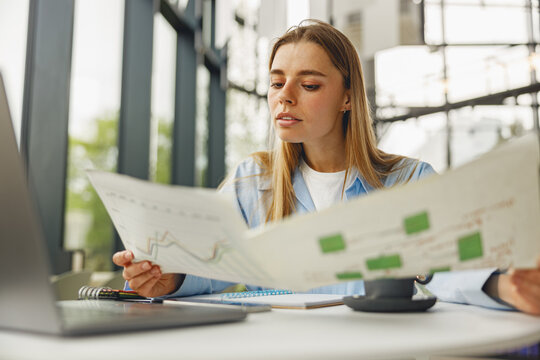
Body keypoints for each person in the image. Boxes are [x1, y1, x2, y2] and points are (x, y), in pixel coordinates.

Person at [113, 19, 540, 316]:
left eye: (310, 84)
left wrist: (506, 286)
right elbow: (210, 266)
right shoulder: (252, 183)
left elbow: (447, 264)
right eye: (277, 82)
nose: (285, 96)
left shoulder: (408, 182)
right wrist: (166, 278)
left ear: (348, 97)